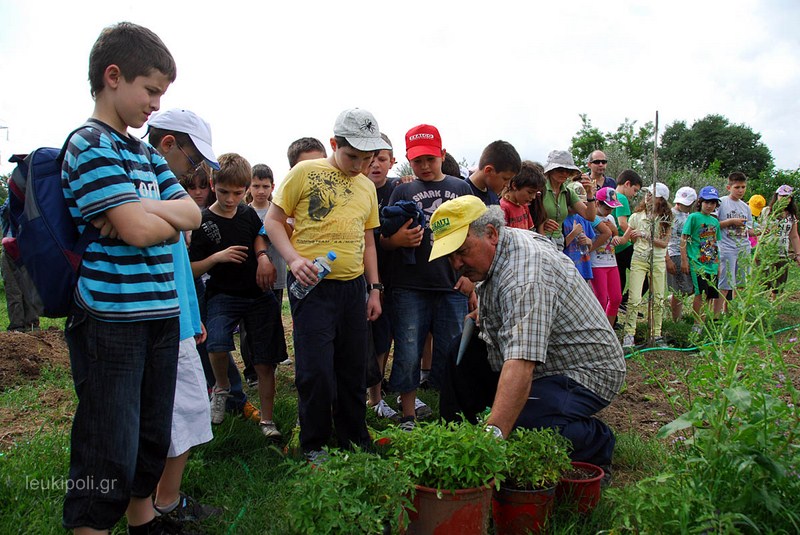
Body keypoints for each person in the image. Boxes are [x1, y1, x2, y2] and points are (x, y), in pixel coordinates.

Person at [60, 22, 202, 534]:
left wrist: (132, 206)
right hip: (111, 316)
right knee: (107, 442)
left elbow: (191, 216)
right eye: (150, 91)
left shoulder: (142, 153)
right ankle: (92, 527)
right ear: (113, 77)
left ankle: (143, 521)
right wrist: (146, 218)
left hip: (162, 311)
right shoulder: (90, 144)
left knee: (148, 432)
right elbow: (143, 232)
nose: (154, 105)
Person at [430, 195, 625, 470]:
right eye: (450, 256)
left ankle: (595, 442)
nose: (456, 263)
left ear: (491, 233)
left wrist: (494, 436)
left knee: (521, 420)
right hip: (546, 359)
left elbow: (521, 362)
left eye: (461, 251)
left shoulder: (526, 275)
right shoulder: (500, 248)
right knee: (460, 353)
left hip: (584, 371)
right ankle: (455, 439)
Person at [264, 108, 386, 461]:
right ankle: (314, 444)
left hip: (352, 290)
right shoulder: (305, 172)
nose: (360, 166)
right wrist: (293, 259)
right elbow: (273, 222)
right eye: (352, 157)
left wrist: (374, 289)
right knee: (316, 371)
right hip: (313, 288)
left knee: (352, 369)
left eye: (367, 159)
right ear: (334, 144)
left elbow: (370, 241)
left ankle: (353, 437)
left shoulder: (367, 187)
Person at [146, 108, 221, 524]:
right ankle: (163, 504)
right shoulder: (148, 183)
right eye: (194, 161)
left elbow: (176, 263)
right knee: (184, 410)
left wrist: (193, 318)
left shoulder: (165, 188)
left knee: (182, 411)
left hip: (179, 317)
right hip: (159, 319)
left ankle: (161, 499)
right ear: (169, 145)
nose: (194, 172)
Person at [381, 123, 473, 430]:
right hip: (408, 284)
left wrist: (469, 277)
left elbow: (473, 237)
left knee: (451, 351)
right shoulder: (401, 190)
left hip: (450, 284)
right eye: (417, 160)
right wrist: (396, 242)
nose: (424, 166)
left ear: (442, 155)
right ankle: (407, 413)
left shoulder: (461, 188)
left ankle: (451, 412)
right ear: (408, 158)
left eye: (430, 159)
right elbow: (381, 236)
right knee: (407, 349)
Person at [189, 153, 283, 439]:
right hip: (223, 294)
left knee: (266, 360)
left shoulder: (247, 213)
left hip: (258, 293)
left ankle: (267, 421)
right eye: (223, 192)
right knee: (215, 341)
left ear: (245, 191)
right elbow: (191, 269)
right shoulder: (202, 221)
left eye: (237, 193)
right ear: (212, 184)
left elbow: (259, 234)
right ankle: (221, 387)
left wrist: (263, 257)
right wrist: (216, 257)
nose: (230, 199)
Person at [240, 163, 291, 386]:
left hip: (278, 275)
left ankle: (271, 363)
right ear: (249, 188)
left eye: (265, 186)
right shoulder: (244, 211)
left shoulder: (278, 211)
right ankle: (251, 371)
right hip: (250, 277)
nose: (261, 190)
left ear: (273, 187)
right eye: (256, 186)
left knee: (272, 320)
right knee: (246, 326)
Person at [365, 133, 401, 421]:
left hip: (392, 276)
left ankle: (376, 397)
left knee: (384, 338)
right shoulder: (356, 188)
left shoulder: (399, 190)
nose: (375, 164)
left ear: (392, 161)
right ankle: (361, 392)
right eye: (371, 157)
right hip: (358, 276)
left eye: (382, 158)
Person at [621, 183, 673, 348]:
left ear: (661, 199)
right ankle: (629, 334)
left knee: (658, 298)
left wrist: (646, 235)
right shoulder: (637, 216)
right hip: (639, 259)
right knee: (634, 298)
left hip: (657, 260)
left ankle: (656, 334)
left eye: (652, 194)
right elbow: (627, 238)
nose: (647, 196)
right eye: (647, 193)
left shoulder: (665, 219)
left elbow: (664, 243)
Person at [681, 186, 722, 332]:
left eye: (712, 203)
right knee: (700, 293)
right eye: (706, 202)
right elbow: (684, 238)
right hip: (697, 263)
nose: (709, 205)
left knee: (710, 294)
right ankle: (696, 324)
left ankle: (704, 320)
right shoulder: (693, 217)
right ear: (700, 202)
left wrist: (718, 264)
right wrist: (684, 260)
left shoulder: (715, 222)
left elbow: (715, 242)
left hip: (711, 263)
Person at [541, 150, 597, 249]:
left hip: (559, 245)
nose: (564, 173)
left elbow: (590, 216)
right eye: (560, 169)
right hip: (539, 242)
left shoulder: (568, 192)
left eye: (568, 170)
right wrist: (541, 222)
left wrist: (589, 194)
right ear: (551, 170)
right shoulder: (540, 190)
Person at [716, 172, 754, 314]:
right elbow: (712, 225)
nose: (740, 190)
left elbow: (749, 230)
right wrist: (731, 222)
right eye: (737, 187)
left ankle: (732, 311)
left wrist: (763, 230)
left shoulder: (746, 207)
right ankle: (716, 315)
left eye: (743, 187)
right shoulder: (721, 202)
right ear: (729, 187)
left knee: (741, 282)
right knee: (725, 283)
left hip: (743, 246)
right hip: (726, 247)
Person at [0, 199, 40, 332]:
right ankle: (17, 326)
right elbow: (7, 211)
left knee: (30, 288)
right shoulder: (9, 204)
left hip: (27, 249)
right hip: (10, 248)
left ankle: (32, 325)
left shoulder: (32, 203)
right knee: (13, 290)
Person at [590, 187, 626, 326]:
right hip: (597, 263)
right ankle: (597, 328)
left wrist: (614, 232)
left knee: (616, 298)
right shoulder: (591, 217)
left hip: (611, 261)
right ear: (597, 204)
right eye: (607, 208)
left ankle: (609, 329)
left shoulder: (610, 218)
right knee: (601, 299)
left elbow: (615, 233)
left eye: (612, 208)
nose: (610, 211)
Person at [760, 185, 800, 298]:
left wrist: (798, 254)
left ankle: (774, 306)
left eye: (788, 197)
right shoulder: (766, 211)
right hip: (767, 251)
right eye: (782, 196)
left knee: (780, 282)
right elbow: (760, 230)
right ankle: (763, 305)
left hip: (783, 251)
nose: (785, 199)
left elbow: (794, 236)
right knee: (765, 280)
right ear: (777, 196)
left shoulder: (791, 216)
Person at [613, 170, 644, 312]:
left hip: (614, 246)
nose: (635, 194)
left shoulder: (610, 195)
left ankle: (616, 309)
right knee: (644, 272)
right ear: (627, 184)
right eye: (635, 190)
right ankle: (626, 302)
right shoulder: (622, 198)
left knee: (619, 280)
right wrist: (634, 237)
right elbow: (623, 223)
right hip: (624, 245)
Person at [666, 186, 698, 321]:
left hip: (688, 254)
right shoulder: (670, 215)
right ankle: (676, 320)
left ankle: (671, 301)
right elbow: (664, 238)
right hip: (674, 253)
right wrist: (667, 259)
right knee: (680, 290)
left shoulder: (689, 216)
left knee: (690, 288)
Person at [562, 181, 603, 282]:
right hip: (567, 270)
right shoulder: (561, 218)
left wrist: (588, 242)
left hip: (583, 269)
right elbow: (558, 246)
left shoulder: (584, 218)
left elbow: (590, 243)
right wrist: (574, 233)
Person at [465, 140, 522, 205]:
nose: (507, 185)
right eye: (505, 179)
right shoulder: (461, 194)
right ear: (489, 170)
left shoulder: (493, 197)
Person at [499, 162, 542, 230]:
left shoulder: (524, 205)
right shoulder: (503, 208)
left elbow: (529, 230)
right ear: (514, 186)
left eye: (536, 193)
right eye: (530, 192)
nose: (533, 197)